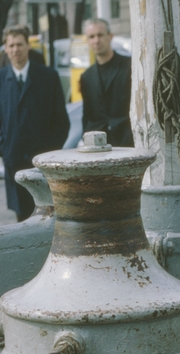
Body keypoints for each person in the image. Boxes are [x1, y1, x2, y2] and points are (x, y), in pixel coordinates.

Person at [0, 25, 70, 221]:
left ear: (28, 46)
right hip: (14, 161)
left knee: (47, 217)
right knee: (22, 218)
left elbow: (61, 121)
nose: (16, 50)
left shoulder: (47, 77)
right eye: (11, 45)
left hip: (42, 162)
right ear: (5, 48)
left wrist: (51, 150)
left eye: (20, 44)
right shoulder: (1, 79)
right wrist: (5, 147)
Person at [79, 19, 133, 147]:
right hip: (99, 145)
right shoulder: (87, 76)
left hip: (127, 141)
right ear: (87, 41)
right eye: (91, 37)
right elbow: (87, 115)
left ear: (110, 36)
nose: (96, 41)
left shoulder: (130, 66)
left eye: (100, 35)